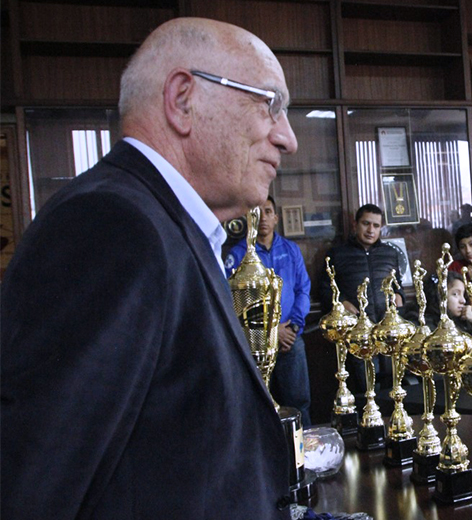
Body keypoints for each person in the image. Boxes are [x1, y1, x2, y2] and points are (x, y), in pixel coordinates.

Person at [1, 18, 298, 518]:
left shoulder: (168, 224)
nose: (287, 137)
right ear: (183, 99)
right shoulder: (110, 227)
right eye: (269, 103)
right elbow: (38, 487)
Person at [225, 196, 312, 424]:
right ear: (248, 218)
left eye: (268, 211)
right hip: (254, 345)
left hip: (290, 340)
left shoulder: (291, 250)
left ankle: (305, 454)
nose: (263, 217)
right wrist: (273, 332)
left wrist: (293, 326)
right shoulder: (237, 255)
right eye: (257, 212)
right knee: (259, 408)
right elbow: (230, 301)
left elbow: (303, 290)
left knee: (299, 403)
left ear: (276, 218)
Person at [319, 204, 404, 392]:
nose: (370, 230)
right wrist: (341, 304)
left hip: (387, 332)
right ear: (355, 224)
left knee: (393, 389)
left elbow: (397, 284)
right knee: (365, 389)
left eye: (376, 225)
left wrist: (399, 296)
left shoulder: (390, 253)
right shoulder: (337, 254)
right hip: (357, 335)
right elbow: (325, 290)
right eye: (366, 224)